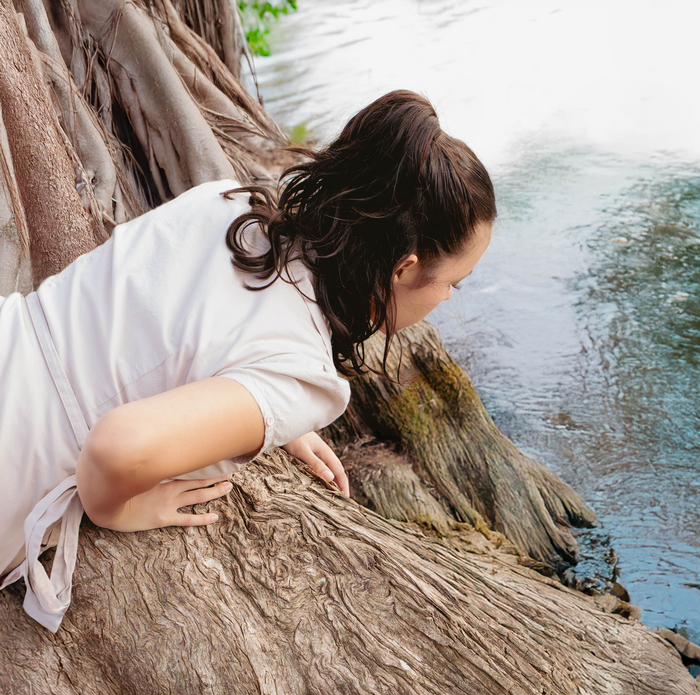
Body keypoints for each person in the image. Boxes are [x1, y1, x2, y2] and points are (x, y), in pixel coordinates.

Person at [0, 89, 495, 632]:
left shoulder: (229, 203)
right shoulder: (302, 374)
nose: (448, 299)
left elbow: (173, 326)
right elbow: (116, 448)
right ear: (403, 269)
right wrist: (115, 509)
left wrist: (251, 414)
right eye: (453, 283)